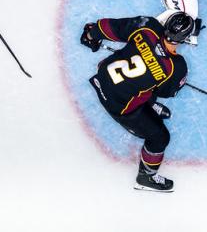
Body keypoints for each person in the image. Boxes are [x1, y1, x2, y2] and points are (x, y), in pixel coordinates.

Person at [80, 11, 195, 192]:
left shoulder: (147, 26)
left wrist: (91, 34)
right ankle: (146, 177)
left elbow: (111, 27)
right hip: (118, 105)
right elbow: (166, 92)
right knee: (159, 137)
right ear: (184, 39)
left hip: (103, 75)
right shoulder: (177, 67)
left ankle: (148, 105)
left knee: (145, 82)